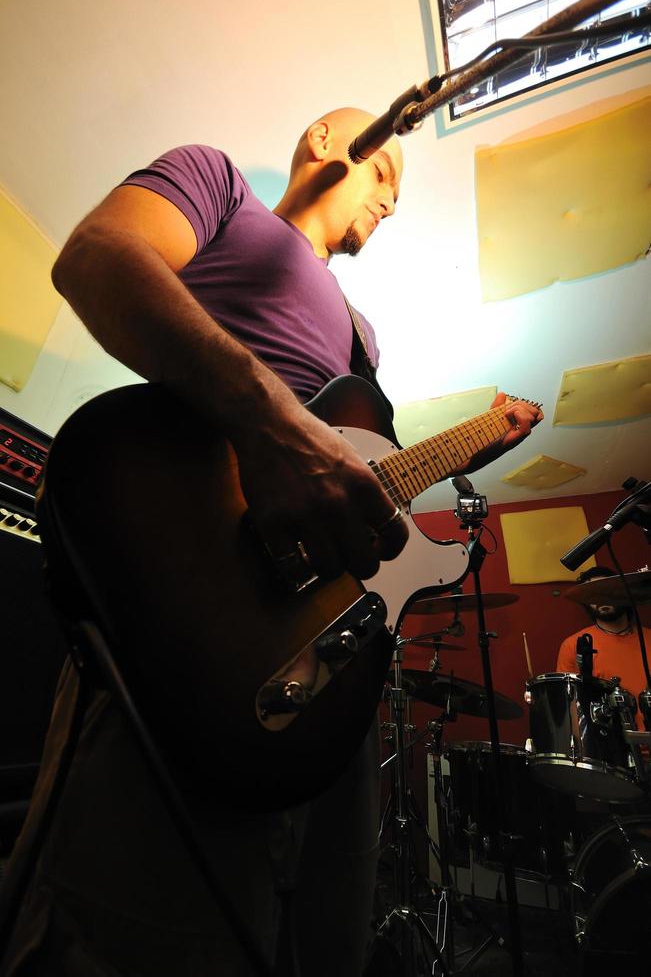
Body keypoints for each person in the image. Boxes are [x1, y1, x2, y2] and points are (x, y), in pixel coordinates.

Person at [1, 108, 542, 977]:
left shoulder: (366, 337)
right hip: (187, 623)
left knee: (319, 944)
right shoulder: (219, 190)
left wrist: (474, 439)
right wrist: (270, 425)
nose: (393, 203)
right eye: (384, 174)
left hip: (338, 671)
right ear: (327, 142)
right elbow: (96, 257)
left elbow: (360, 475)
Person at [557, 565, 651, 730]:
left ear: (622, 593)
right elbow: (570, 708)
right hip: (611, 747)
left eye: (606, 591)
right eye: (592, 594)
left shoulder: (648, 637)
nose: (600, 599)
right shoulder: (574, 645)